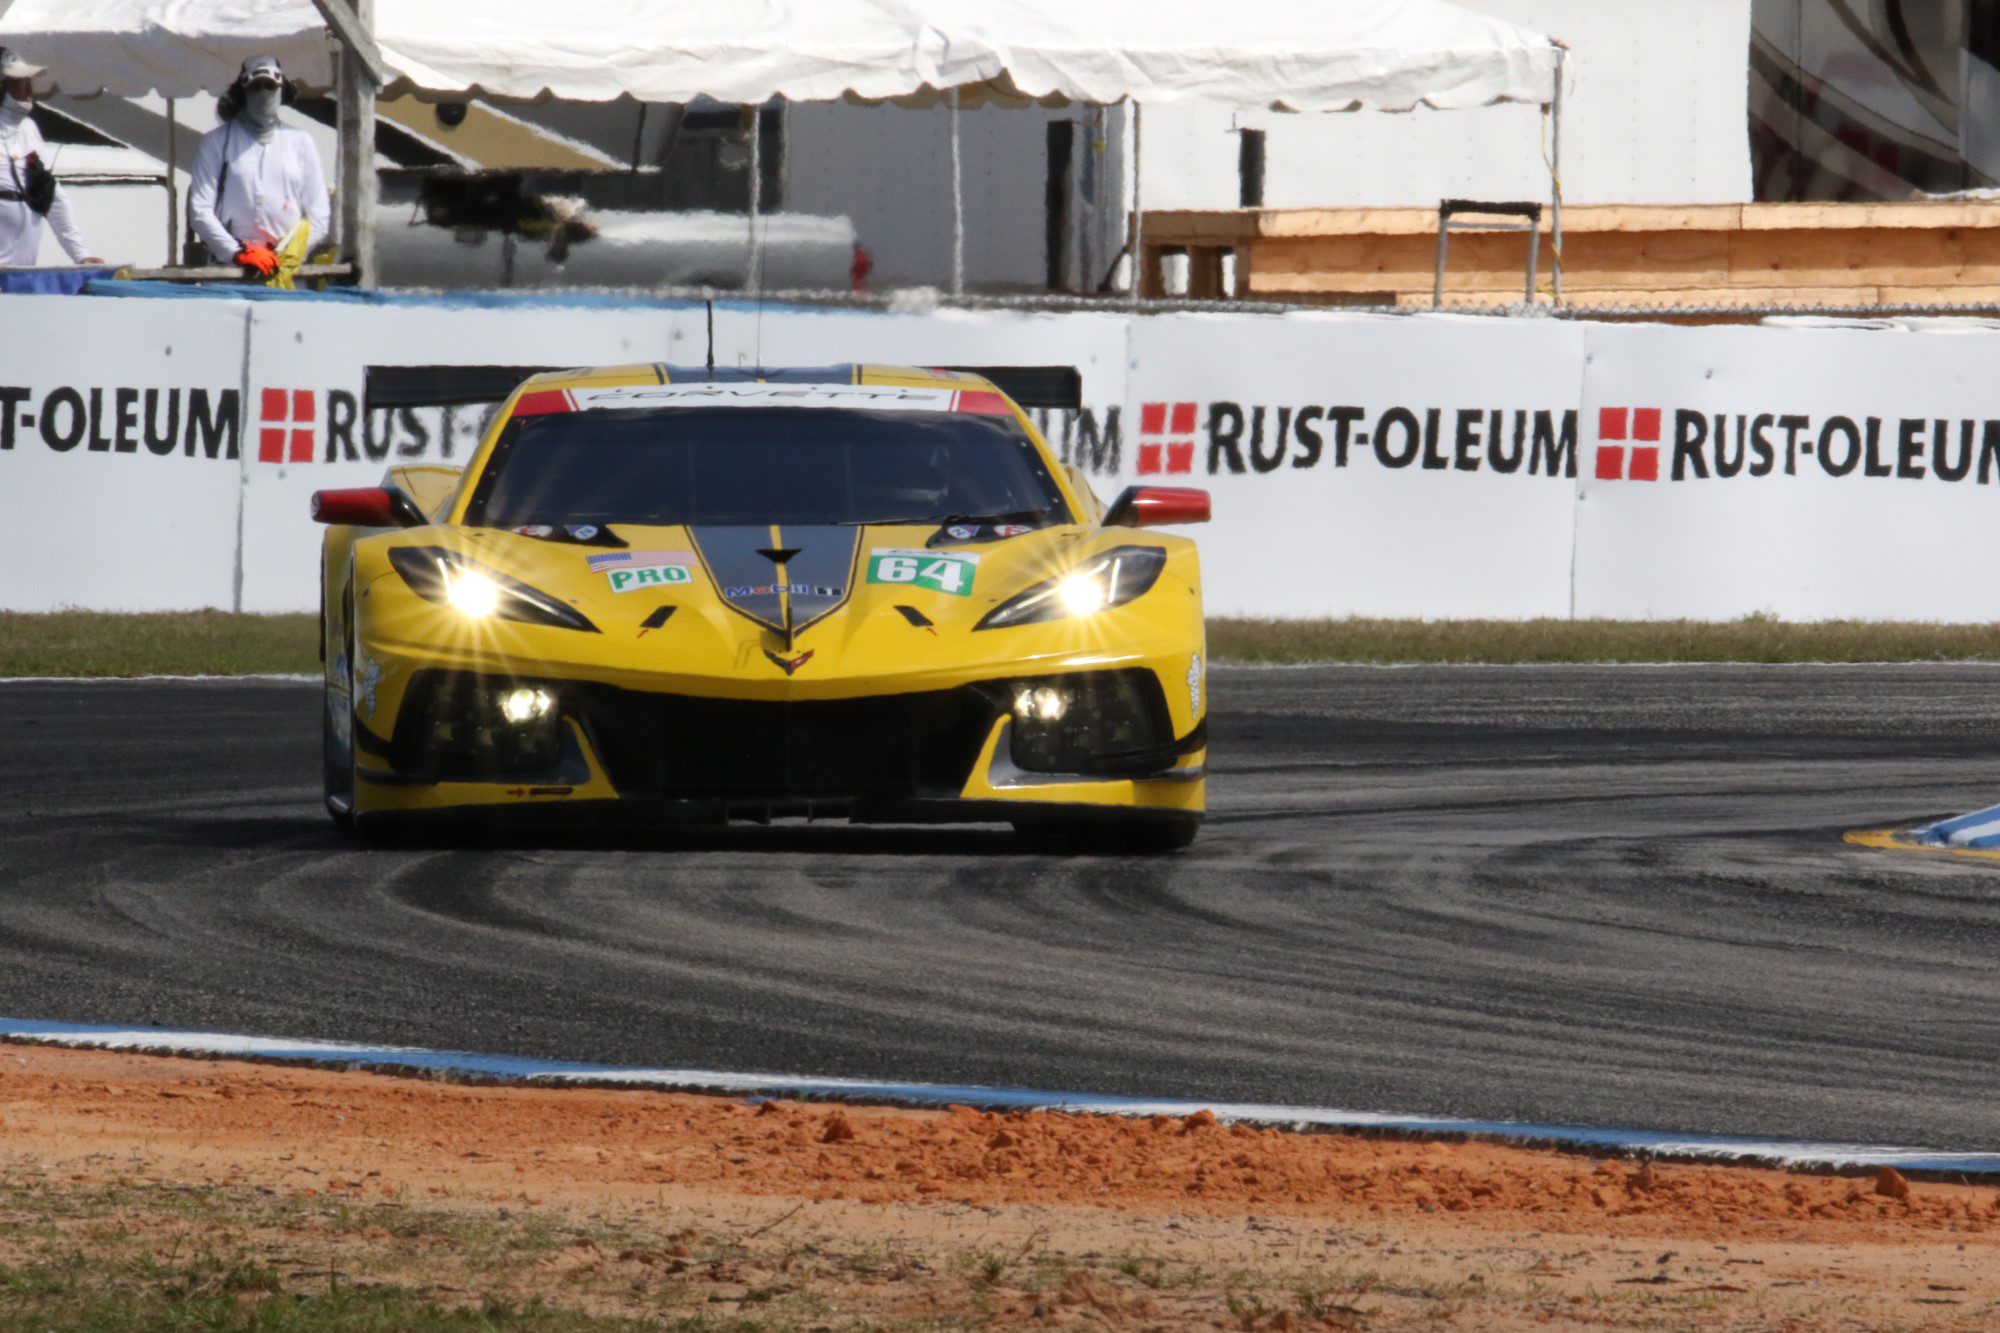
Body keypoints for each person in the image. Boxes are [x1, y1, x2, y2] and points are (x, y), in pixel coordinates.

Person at [188, 55, 330, 280]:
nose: (264, 93)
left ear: (282, 90)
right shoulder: (216, 141)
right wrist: (237, 253)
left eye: (271, 86)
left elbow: (319, 216)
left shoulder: (301, 141)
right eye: (256, 86)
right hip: (229, 273)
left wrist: (284, 255)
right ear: (243, 92)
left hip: (284, 272)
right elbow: (199, 210)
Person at [0, 47, 103, 267]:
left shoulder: (28, 128)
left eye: (29, 81)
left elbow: (53, 195)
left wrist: (81, 255)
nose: (28, 90)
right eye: (19, 82)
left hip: (21, 271)